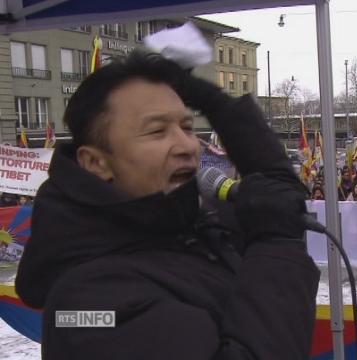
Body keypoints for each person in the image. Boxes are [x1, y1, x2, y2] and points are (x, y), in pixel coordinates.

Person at [15, 51, 320, 359]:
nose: (188, 146)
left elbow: (282, 198)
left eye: (187, 127)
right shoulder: (85, 304)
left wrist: (215, 104)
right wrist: (276, 245)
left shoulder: (188, 225)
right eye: (157, 131)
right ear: (96, 162)